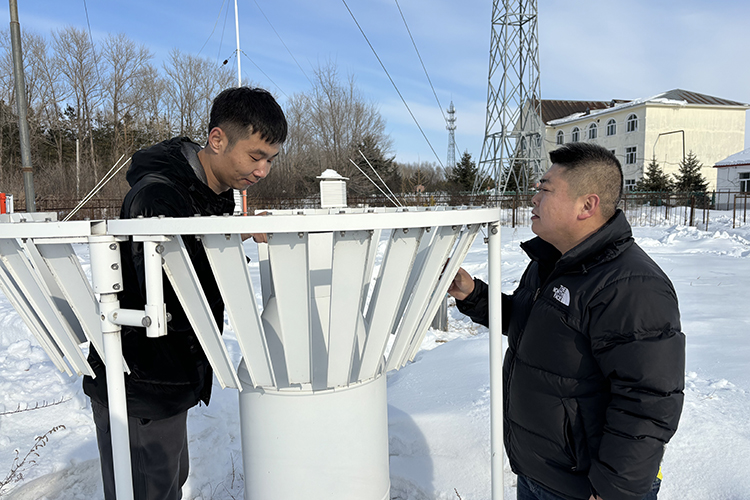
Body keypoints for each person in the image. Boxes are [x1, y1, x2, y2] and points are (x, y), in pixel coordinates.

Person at [83, 87, 288, 500]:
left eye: (270, 159)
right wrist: (229, 240)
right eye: (255, 156)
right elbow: (164, 290)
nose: (263, 171)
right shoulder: (157, 195)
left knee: (169, 482)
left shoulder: (211, 193)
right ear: (217, 139)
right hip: (141, 379)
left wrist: (232, 233)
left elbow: (193, 257)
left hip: (172, 373)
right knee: (147, 490)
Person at [448, 142, 684, 500]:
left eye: (545, 190)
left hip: (586, 487)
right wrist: (472, 294)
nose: (533, 199)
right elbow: (530, 325)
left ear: (587, 205)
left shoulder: (632, 286)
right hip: (538, 471)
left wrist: (613, 490)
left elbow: (647, 401)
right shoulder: (552, 262)